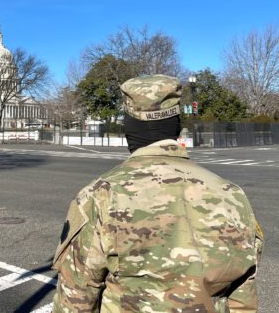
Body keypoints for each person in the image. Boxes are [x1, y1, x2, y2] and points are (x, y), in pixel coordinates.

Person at [52, 74, 263, 312]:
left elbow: (76, 297)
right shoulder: (233, 195)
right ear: (177, 128)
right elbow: (243, 296)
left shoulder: (100, 195)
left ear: (129, 130)